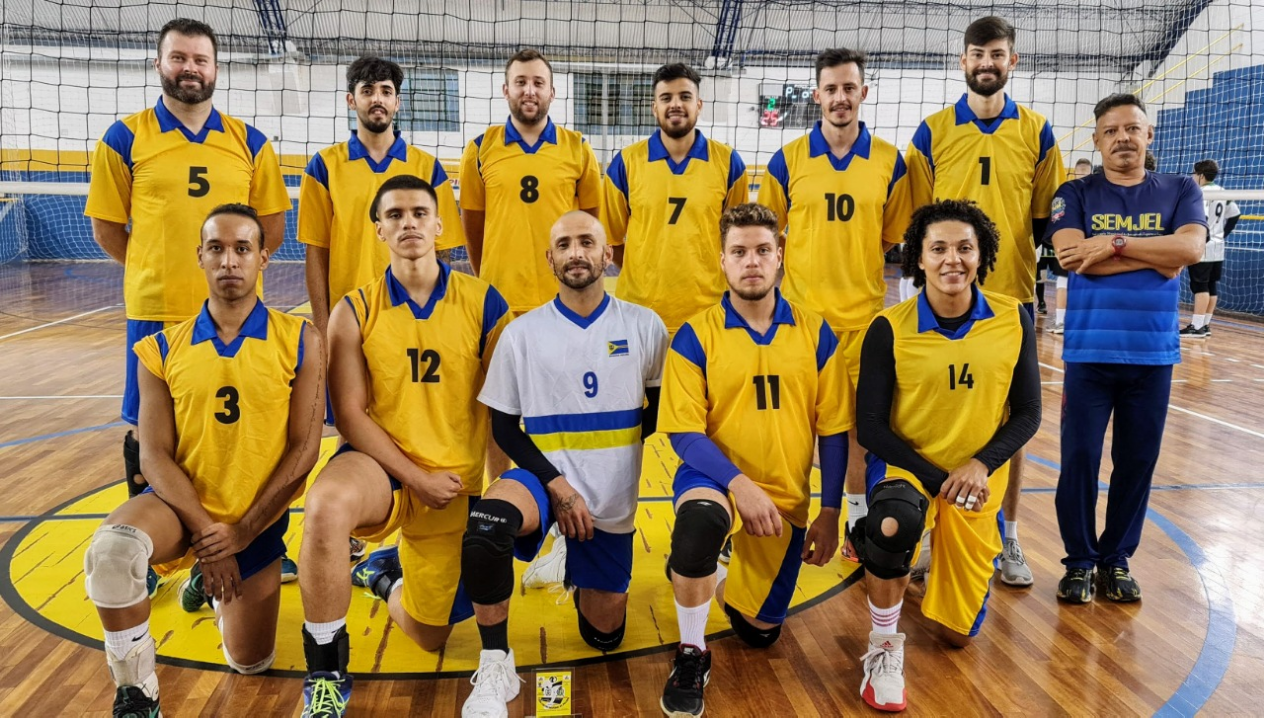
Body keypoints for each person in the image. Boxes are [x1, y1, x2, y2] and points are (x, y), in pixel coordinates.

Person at [82, 204, 323, 718]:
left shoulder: (301, 339)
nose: (229, 261)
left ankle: (205, 586)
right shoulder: (159, 348)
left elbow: (304, 451)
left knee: (250, 662)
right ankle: (136, 693)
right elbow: (154, 455)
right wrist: (210, 539)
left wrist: (240, 533)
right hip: (179, 510)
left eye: (242, 249)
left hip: (253, 522)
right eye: (216, 248)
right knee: (111, 555)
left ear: (264, 258)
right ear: (200, 257)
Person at [85, 17, 294, 590]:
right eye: (178, 58)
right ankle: (155, 557)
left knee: (238, 428)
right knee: (148, 437)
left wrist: (231, 276)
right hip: (156, 310)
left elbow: (271, 225)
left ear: (216, 68)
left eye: (200, 59)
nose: (190, 69)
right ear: (160, 64)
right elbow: (107, 227)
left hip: (232, 315)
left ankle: (244, 539)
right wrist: (159, 271)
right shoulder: (124, 138)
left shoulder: (249, 142)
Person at [296, 175, 510, 718]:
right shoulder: (354, 309)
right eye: (395, 215)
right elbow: (349, 415)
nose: (408, 223)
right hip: (383, 469)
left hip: (454, 484)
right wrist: (414, 477)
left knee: (431, 636)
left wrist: (498, 493)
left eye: (419, 212)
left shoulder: (484, 303)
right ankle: (324, 673)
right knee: (324, 506)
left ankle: (381, 574)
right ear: (378, 230)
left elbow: (501, 412)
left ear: (441, 226)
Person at [460, 211, 667, 718]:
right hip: (541, 480)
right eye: (565, 244)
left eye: (587, 242)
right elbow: (505, 428)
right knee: (486, 525)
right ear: (549, 258)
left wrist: (602, 471)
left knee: (604, 637)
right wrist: (558, 483)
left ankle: (571, 562)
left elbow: (659, 415)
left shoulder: (645, 326)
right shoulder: (522, 333)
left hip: (610, 502)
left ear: (607, 254)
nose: (576, 252)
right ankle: (494, 662)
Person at [656, 203, 852, 718]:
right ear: (721, 261)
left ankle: (700, 573)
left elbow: (833, 431)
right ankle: (692, 652)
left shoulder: (816, 333)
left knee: (759, 632)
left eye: (763, 250)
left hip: (784, 496)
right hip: (714, 477)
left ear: (780, 256)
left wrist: (829, 512)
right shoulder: (695, 335)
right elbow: (683, 432)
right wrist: (739, 483)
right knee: (698, 524)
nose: (751, 262)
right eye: (739, 252)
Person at [853, 199, 1040, 712]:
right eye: (938, 248)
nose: (951, 259)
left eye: (964, 247)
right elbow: (869, 426)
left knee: (954, 635)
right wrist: (936, 478)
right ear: (918, 258)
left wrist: (980, 465)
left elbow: (1028, 413)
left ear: (982, 255)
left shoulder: (1013, 317)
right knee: (892, 525)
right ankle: (884, 649)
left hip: (978, 481)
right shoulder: (888, 328)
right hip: (909, 468)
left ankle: (925, 558)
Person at [904, 16, 1065, 586]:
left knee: (1011, 425)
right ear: (963, 61)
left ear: (1012, 61)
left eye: (997, 53)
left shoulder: (1039, 132)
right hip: (940, 301)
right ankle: (928, 534)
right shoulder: (931, 132)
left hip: (1011, 298)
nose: (987, 62)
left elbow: (1044, 220)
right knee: (930, 420)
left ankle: (1008, 536)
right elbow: (920, 222)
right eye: (977, 54)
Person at [1050, 93, 1206, 604]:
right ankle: (1078, 562)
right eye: (1112, 131)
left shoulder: (1180, 188)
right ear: (1096, 140)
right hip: (1089, 355)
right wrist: (1154, 255)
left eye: (1132, 129)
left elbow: (1187, 251)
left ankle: (1115, 561)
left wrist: (1113, 245)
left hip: (1152, 356)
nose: (1123, 138)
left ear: (1148, 136)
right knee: (1079, 459)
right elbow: (1072, 255)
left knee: (1136, 463)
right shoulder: (1074, 192)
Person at [757, 48, 911, 559]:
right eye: (831, 88)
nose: (840, 97)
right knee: (790, 429)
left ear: (863, 93)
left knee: (860, 434)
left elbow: (888, 237)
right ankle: (773, 524)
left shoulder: (891, 161)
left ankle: (858, 523)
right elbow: (767, 232)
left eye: (850, 88)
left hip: (865, 321)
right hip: (799, 322)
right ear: (817, 94)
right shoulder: (788, 159)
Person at [300, 55, 465, 346]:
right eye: (367, 91)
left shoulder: (427, 167)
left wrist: (434, 314)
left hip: (410, 316)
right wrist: (324, 329)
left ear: (397, 102)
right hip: (348, 317)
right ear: (351, 100)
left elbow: (442, 252)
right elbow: (316, 252)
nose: (377, 99)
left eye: (386, 91)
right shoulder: (324, 166)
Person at [604, 62, 748, 334]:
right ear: (654, 107)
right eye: (666, 97)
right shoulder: (626, 163)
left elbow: (738, 240)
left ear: (699, 105)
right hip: (639, 312)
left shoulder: (728, 163)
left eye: (685, 96)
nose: (676, 104)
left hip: (709, 312)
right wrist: (645, 274)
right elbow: (612, 241)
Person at [460, 48, 604, 316]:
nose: (529, 91)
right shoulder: (480, 149)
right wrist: (488, 280)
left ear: (552, 92)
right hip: (501, 300)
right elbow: (473, 227)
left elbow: (592, 226)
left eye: (538, 83)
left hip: (564, 298)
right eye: (520, 82)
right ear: (505, 90)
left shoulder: (578, 149)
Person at [1182, 159, 1241, 338]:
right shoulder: (1222, 192)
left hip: (1204, 245)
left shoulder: (1199, 193)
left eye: (1194, 173)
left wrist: (1200, 241)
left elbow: (1203, 218)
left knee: (1200, 286)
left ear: (1200, 175)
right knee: (1211, 285)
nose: (1192, 177)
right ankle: (1206, 324)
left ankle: (1197, 326)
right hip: (1218, 245)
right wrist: (1221, 234)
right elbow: (1235, 214)